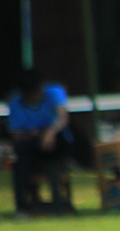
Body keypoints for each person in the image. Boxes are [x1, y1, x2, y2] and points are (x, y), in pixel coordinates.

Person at [7, 68, 74, 216]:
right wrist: (34, 135)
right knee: (20, 157)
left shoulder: (55, 92)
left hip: (56, 140)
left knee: (57, 146)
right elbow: (15, 134)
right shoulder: (15, 102)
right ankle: (22, 207)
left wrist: (50, 132)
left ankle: (59, 203)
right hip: (31, 143)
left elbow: (63, 118)